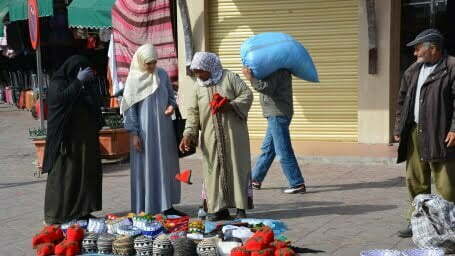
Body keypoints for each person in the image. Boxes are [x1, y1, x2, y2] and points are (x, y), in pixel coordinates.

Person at [394, 29, 455, 238]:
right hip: (414, 132)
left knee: (446, 184)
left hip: (441, 134)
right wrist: (399, 128)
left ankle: (449, 226)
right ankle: (417, 222)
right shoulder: (413, 70)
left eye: (418, 48)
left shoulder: (451, 67)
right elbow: (402, 101)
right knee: (415, 180)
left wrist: (454, 128)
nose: (415, 53)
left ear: (434, 49)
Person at [180, 52, 253, 221]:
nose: (198, 74)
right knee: (213, 172)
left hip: (234, 136)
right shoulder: (197, 86)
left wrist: (231, 105)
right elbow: (193, 113)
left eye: (200, 71)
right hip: (210, 138)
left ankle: (241, 208)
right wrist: (188, 134)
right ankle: (217, 208)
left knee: (237, 168)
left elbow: (247, 95)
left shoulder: (229, 78)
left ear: (209, 68)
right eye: (195, 71)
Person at [122, 44, 182, 216]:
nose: (151, 67)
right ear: (141, 62)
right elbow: (129, 109)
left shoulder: (162, 75)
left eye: (154, 62)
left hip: (164, 131)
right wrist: (134, 134)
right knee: (146, 167)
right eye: (148, 63)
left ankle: (167, 206)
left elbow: (172, 97)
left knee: (166, 166)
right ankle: (145, 207)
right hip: (144, 133)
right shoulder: (133, 80)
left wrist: (171, 106)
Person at [43, 55, 103, 224]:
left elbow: (96, 104)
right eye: (80, 69)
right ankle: (57, 215)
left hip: (86, 141)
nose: (84, 72)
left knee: (86, 177)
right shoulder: (57, 84)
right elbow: (60, 101)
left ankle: (84, 211)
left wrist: (87, 87)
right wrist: (77, 82)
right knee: (66, 178)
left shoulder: (87, 84)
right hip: (66, 142)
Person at [242, 68, 306, 194]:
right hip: (276, 113)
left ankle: (297, 182)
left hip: (278, 114)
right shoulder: (277, 68)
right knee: (268, 149)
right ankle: (255, 179)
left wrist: (251, 78)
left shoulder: (276, 70)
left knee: (283, 149)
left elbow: (266, 88)